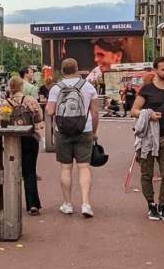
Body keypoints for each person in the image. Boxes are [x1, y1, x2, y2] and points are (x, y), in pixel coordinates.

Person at [128, 57, 164, 221]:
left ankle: (163, 205)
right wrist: (148, 114)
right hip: (148, 138)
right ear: (155, 70)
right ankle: (151, 205)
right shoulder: (147, 89)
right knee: (147, 173)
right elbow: (134, 111)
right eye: (163, 69)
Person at [46, 58, 100, 218]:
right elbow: (95, 112)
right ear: (77, 69)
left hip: (62, 131)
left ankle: (68, 204)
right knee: (84, 167)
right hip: (85, 129)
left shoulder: (56, 88)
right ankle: (86, 203)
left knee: (66, 168)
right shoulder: (89, 87)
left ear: (62, 71)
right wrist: (94, 131)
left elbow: (50, 111)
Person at [6, 76, 44, 214]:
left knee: (12, 171)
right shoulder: (30, 100)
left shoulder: (6, 103)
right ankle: (33, 204)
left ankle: (11, 203)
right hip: (29, 138)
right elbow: (39, 117)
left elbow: (0, 121)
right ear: (22, 86)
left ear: (10, 87)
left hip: (12, 140)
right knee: (30, 171)